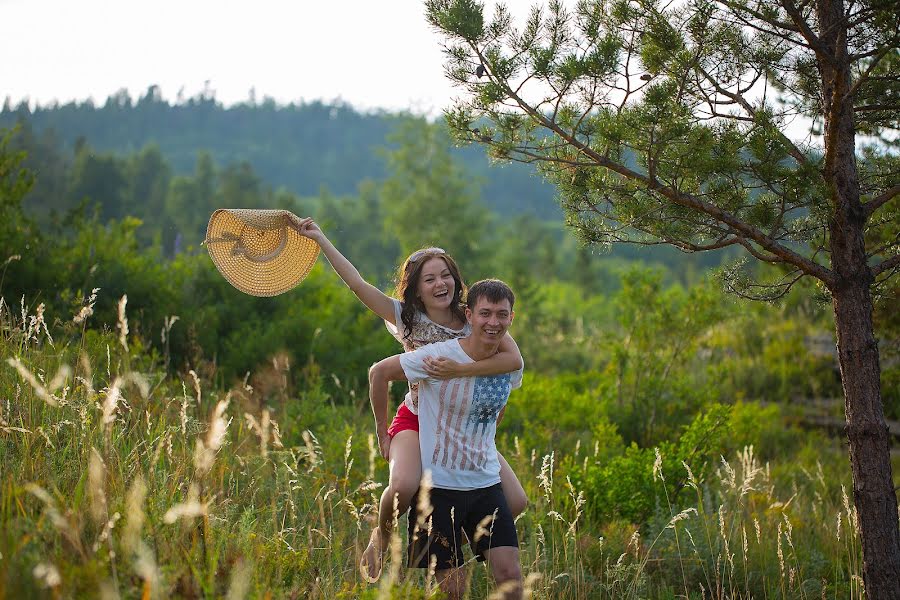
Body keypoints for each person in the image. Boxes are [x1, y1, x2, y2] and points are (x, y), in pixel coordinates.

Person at [287, 217, 527, 582]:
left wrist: (462, 376)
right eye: (429, 278)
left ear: (456, 280)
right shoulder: (406, 317)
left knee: (517, 501)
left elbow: (513, 361)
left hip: (462, 424)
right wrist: (321, 240)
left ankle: (464, 535)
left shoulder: (472, 318)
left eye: (445, 275)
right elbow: (356, 284)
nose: (440, 283)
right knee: (402, 486)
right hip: (417, 417)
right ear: (415, 289)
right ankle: (380, 536)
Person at [368, 279, 524, 600]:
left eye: (501, 315)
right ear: (469, 315)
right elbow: (378, 373)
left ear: (511, 318)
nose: (493, 322)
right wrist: (383, 433)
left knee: (510, 578)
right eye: (485, 314)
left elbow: (499, 405)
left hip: (486, 485)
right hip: (439, 490)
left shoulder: (508, 365)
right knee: (454, 590)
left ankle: (438, 539)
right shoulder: (437, 358)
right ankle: (387, 536)